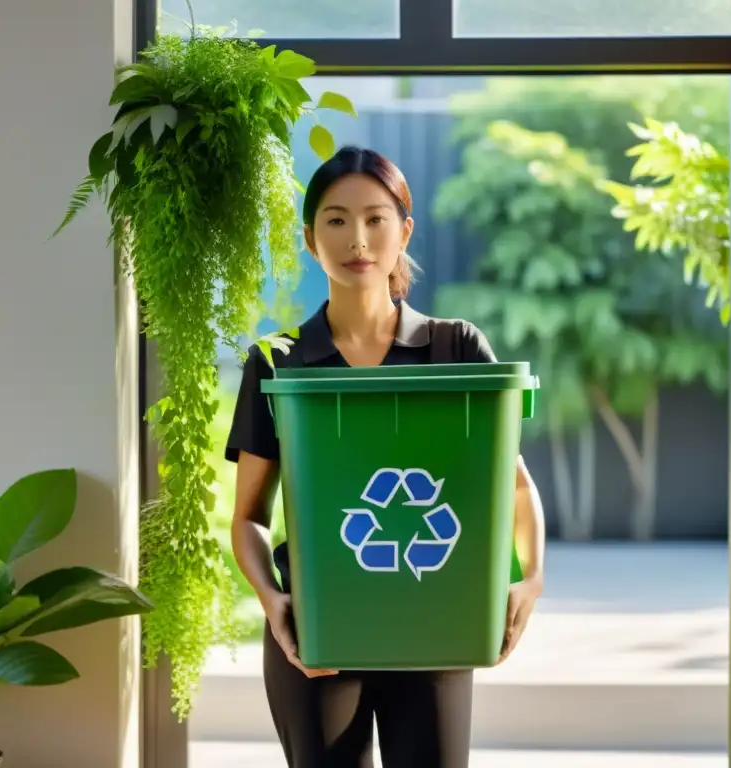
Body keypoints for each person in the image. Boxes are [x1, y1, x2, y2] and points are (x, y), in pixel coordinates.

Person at [226, 145, 546, 768]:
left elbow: (513, 485)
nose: (358, 239)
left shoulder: (455, 348)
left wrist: (531, 577)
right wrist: (274, 601)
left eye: (375, 219)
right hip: (319, 632)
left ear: (404, 230)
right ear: (310, 237)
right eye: (336, 220)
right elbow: (250, 518)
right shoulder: (279, 361)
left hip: (440, 620)